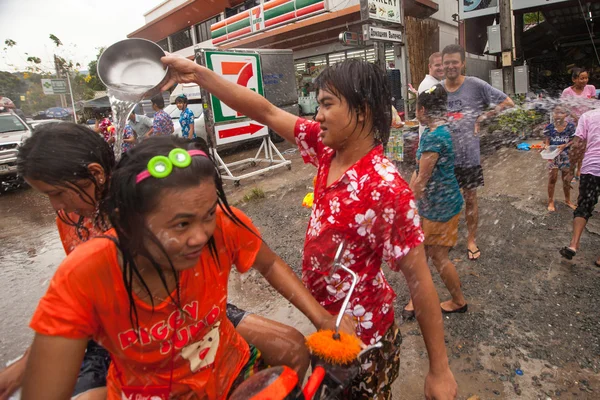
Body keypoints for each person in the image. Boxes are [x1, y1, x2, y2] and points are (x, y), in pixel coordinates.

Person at [160, 54, 458, 399]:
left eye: (327, 104)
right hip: (325, 322)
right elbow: (266, 112)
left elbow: (420, 283)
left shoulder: (387, 189)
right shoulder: (326, 147)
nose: (317, 115)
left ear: (361, 110)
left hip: (363, 337)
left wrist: (439, 369)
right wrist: (198, 74)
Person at [21, 135, 352, 399]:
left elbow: (270, 262)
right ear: (126, 222)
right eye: (180, 225)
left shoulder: (223, 225)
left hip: (230, 371)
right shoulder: (85, 272)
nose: (200, 236)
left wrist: (321, 317)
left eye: (207, 214)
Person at [442, 44, 514, 261]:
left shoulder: (475, 85)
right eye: (447, 63)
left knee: (470, 198)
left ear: (463, 63)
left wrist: (483, 118)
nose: (451, 66)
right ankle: (449, 236)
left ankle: (471, 239)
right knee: (447, 199)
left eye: (455, 62)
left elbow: (507, 102)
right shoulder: (437, 89)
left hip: (469, 157)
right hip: (444, 157)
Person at [404, 84, 467, 318]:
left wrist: (405, 206)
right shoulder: (434, 131)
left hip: (440, 207)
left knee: (437, 257)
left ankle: (459, 300)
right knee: (421, 254)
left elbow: (422, 179)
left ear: (422, 110)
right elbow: (417, 170)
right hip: (434, 204)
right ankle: (416, 297)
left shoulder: (434, 137)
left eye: (416, 109)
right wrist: (409, 198)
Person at [559, 108, 600, 268]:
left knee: (584, 205)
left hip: (592, 168)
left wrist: (571, 170)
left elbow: (577, 145)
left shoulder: (588, 116)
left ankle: (573, 244)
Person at [561, 68, 597, 181]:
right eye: (582, 78)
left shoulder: (591, 88)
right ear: (574, 79)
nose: (585, 80)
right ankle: (571, 169)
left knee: (584, 147)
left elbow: (593, 104)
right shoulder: (567, 92)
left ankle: (580, 171)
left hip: (587, 123)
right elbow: (564, 107)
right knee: (573, 148)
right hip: (572, 123)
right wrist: (575, 118)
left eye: (586, 78)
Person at [543, 105, 577, 211]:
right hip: (553, 156)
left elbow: (574, 140)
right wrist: (546, 146)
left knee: (566, 179)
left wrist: (565, 146)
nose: (557, 115)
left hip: (566, 155)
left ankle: (568, 200)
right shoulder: (549, 127)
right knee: (552, 178)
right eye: (555, 112)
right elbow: (547, 140)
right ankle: (550, 201)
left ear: (566, 115)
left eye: (561, 113)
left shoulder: (570, 126)